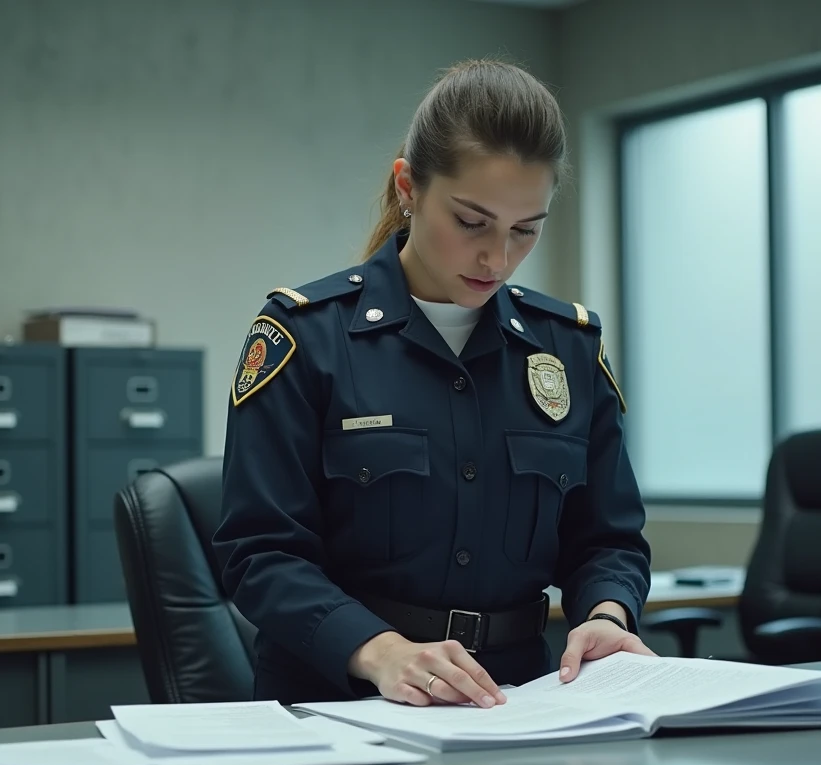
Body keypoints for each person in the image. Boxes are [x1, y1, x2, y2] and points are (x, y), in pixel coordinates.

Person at [211, 58, 653, 709]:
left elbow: (608, 537)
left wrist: (607, 617)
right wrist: (380, 650)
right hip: (341, 702)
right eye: (472, 222)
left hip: (519, 702)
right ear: (408, 187)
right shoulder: (306, 336)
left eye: (525, 229)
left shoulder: (569, 347)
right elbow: (260, 553)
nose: (497, 257)